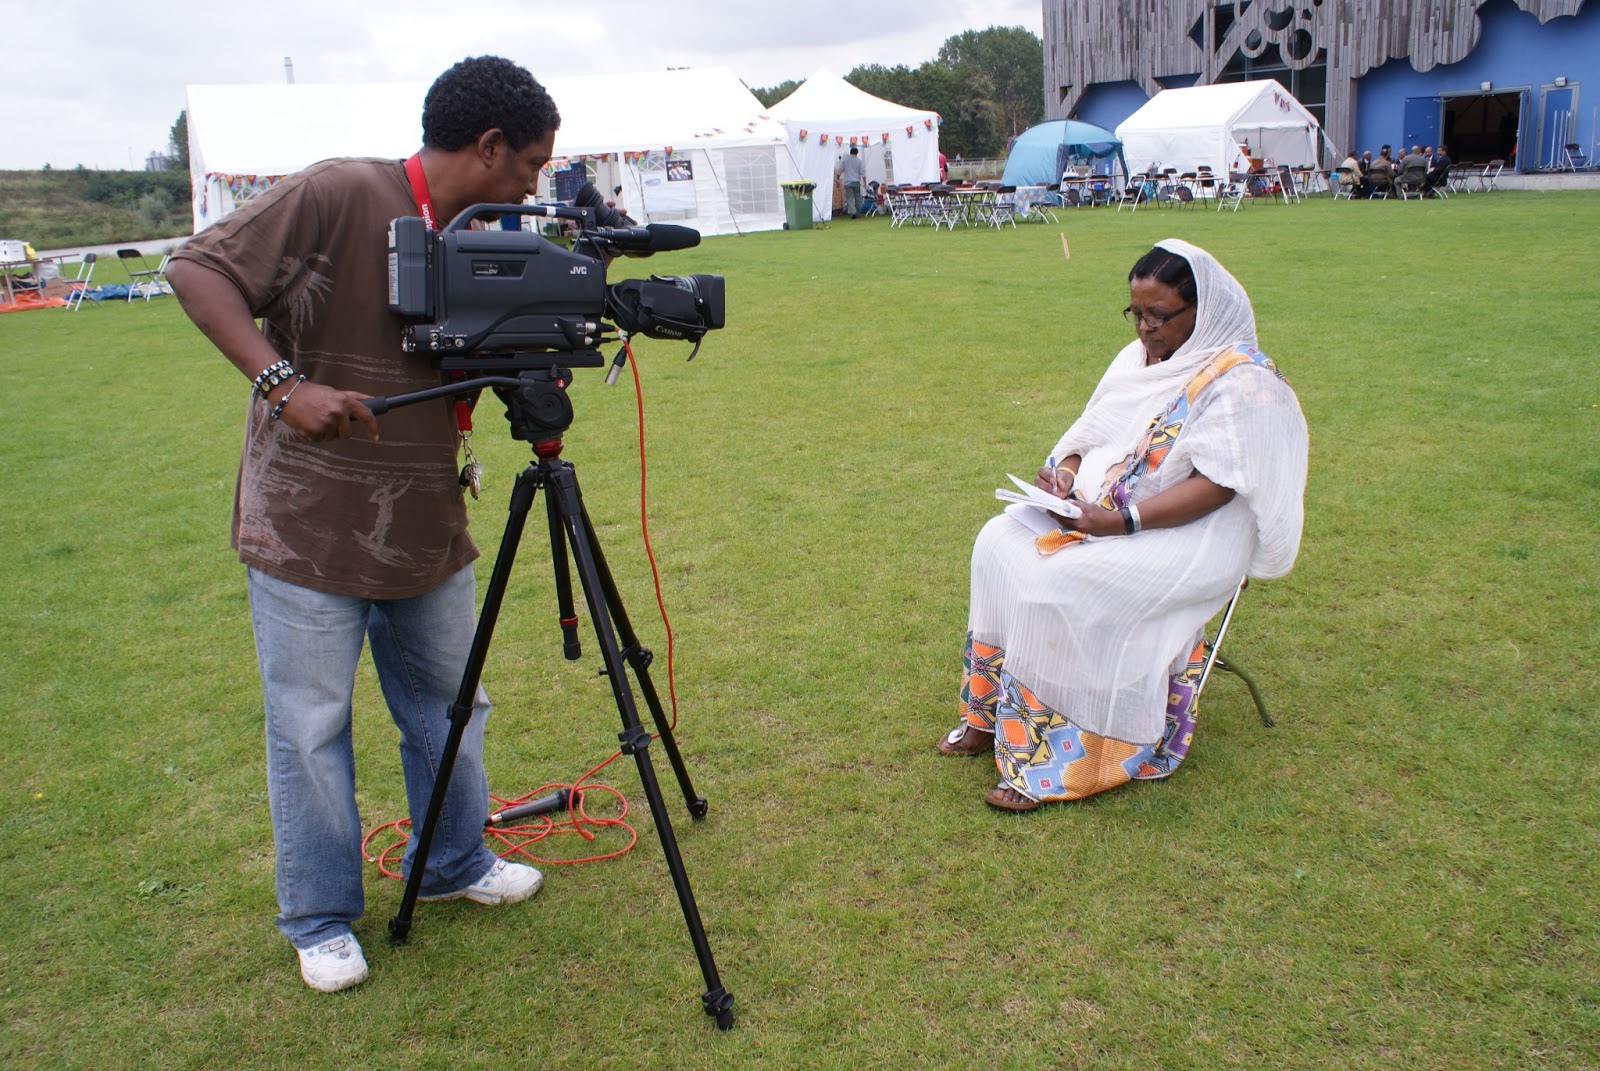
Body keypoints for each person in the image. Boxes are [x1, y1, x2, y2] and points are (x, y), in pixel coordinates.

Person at [166, 55, 560, 994]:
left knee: (450, 706)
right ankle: (317, 916)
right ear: (489, 145)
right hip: (310, 521)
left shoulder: (477, 233)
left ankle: (457, 860)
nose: (535, 185)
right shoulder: (342, 192)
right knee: (310, 724)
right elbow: (195, 268)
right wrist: (284, 384)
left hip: (423, 516)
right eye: (532, 165)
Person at [936, 240, 1307, 812]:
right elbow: (1087, 435)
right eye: (1136, 313)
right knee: (995, 542)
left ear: (1201, 311)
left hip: (1191, 537)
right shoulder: (1137, 360)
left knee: (1052, 582)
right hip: (1104, 514)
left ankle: (1049, 759)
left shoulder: (1243, 380)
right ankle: (986, 715)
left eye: (1159, 315)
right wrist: (1062, 474)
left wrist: (1122, 522)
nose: (1145, 328)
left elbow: (1219, 485)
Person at [838, 146, 866, 218]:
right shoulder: (859, 161)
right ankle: (858, 212)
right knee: (857, 198)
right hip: (856, 182)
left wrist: (837, 177)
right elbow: (863, 173)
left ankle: (853, 212)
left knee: (850, 198)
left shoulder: (845, 161)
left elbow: (840, 170)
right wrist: (864, 182)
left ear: (850, 152)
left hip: (848, 182)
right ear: (857, 153)